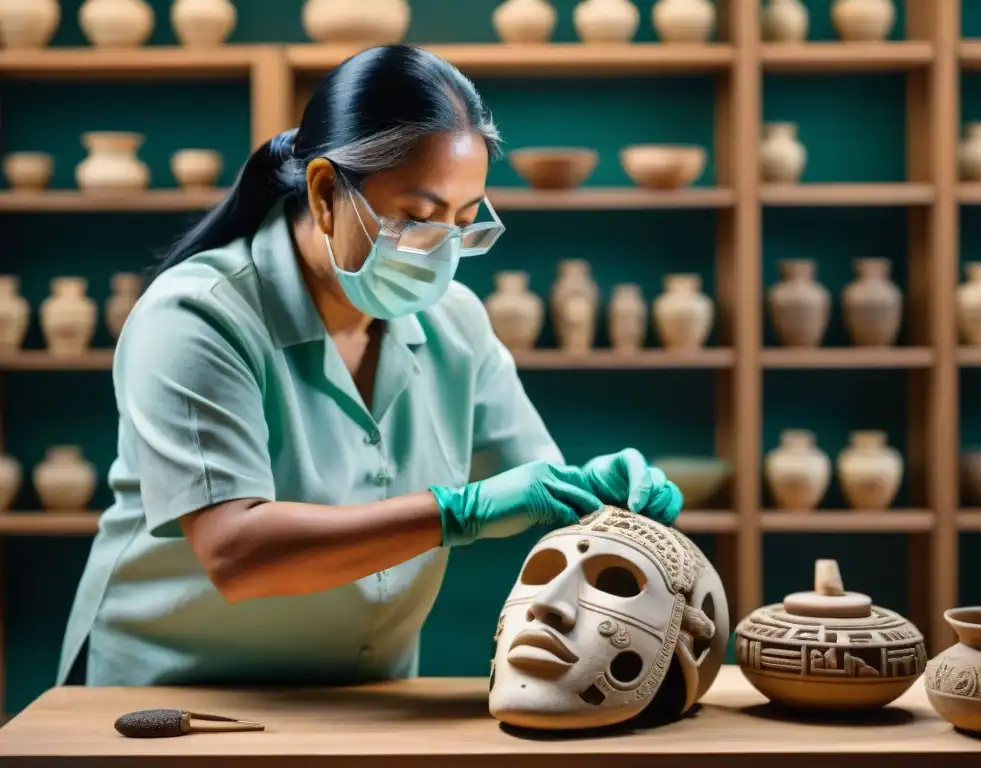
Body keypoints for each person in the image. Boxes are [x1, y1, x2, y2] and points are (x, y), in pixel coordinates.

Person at [57, 45, 683, 688]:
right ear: (326, 191)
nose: (441, 249)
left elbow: (529, 481)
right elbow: (236, 552)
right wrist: (457, 512)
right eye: (417, 217)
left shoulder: (456, 323)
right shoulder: (197, 316)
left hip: (364, 695)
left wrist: (599, 495)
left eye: (464, 224)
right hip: (169, 699)